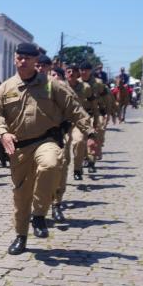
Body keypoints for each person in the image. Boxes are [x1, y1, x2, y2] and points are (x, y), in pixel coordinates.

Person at [0, 42, 93, 255]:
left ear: (36, 61)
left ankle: (39, 215)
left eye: (29, 57)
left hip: (45, 141)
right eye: (20, 57)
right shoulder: (6, 88)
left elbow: (74, 108)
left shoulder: (50, 85)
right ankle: (21, 236)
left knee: (51, 164)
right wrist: (2, 132)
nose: (23, 61)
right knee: (21, 195)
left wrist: (90, 133)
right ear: (15, 59)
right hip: (19, 149)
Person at [54, 65, 95, 221]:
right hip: (54, 128)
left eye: (73, 72)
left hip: (74, 123)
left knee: (78, 142)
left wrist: (92, 127)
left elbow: (81, 108)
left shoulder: (83, 88)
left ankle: (77, 170)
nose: (71, 74)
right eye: (68, 72)